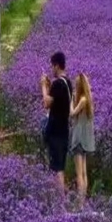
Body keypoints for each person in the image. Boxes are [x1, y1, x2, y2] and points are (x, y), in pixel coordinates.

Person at [40, 51, 73, 195]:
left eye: (52, 66)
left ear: (57, 65)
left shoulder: (58, 84)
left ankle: (60, 202)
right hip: (64, 130)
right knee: (59, 166)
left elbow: (47, 103)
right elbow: (57, 101)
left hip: (55, 131)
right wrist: (49, 87)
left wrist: (43, 86)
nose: (51, 69)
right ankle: (59, 198)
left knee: (57, 168)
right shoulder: (68, 83)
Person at [70, 73, 96, 209]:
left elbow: (72, 113)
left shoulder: (82, 100)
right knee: (84, 173)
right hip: (85, 140)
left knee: (79, 173)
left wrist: (70, 100)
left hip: (79, 139)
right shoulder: (89, 100)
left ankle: (80, 205)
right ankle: (83, 202)